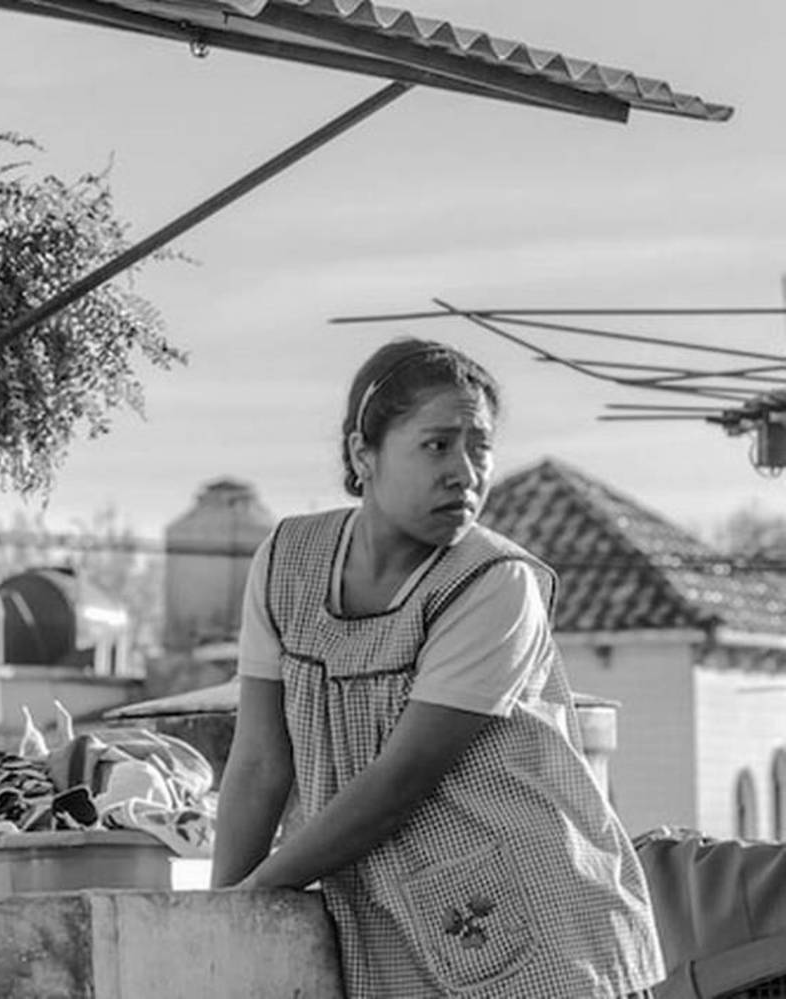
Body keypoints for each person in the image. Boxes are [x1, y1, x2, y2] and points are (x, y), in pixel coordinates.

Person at [210, 338, 664, 997]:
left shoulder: (494, 582)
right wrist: (219, 920)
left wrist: (258, 892)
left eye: (480, 446)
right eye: (437, 444)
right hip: (396, 936)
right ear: (362, 454)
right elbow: (258, 763)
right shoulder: (286, 562)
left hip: (546, 937)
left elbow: (399, 781)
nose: (465, 472)